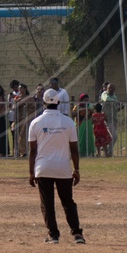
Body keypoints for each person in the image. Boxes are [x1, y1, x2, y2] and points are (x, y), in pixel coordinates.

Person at [28, 88, 84, 244]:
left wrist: (31, 172)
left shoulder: (36, 123)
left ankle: (53, 235)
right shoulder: (68, 122)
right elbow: (74, 149)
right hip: (63, 168)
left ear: (43, 102)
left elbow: (33, 150)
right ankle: (77, 234)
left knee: (47, 203)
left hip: (43, 167)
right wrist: (77, 170)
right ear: (59, 102)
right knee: (68, 201)